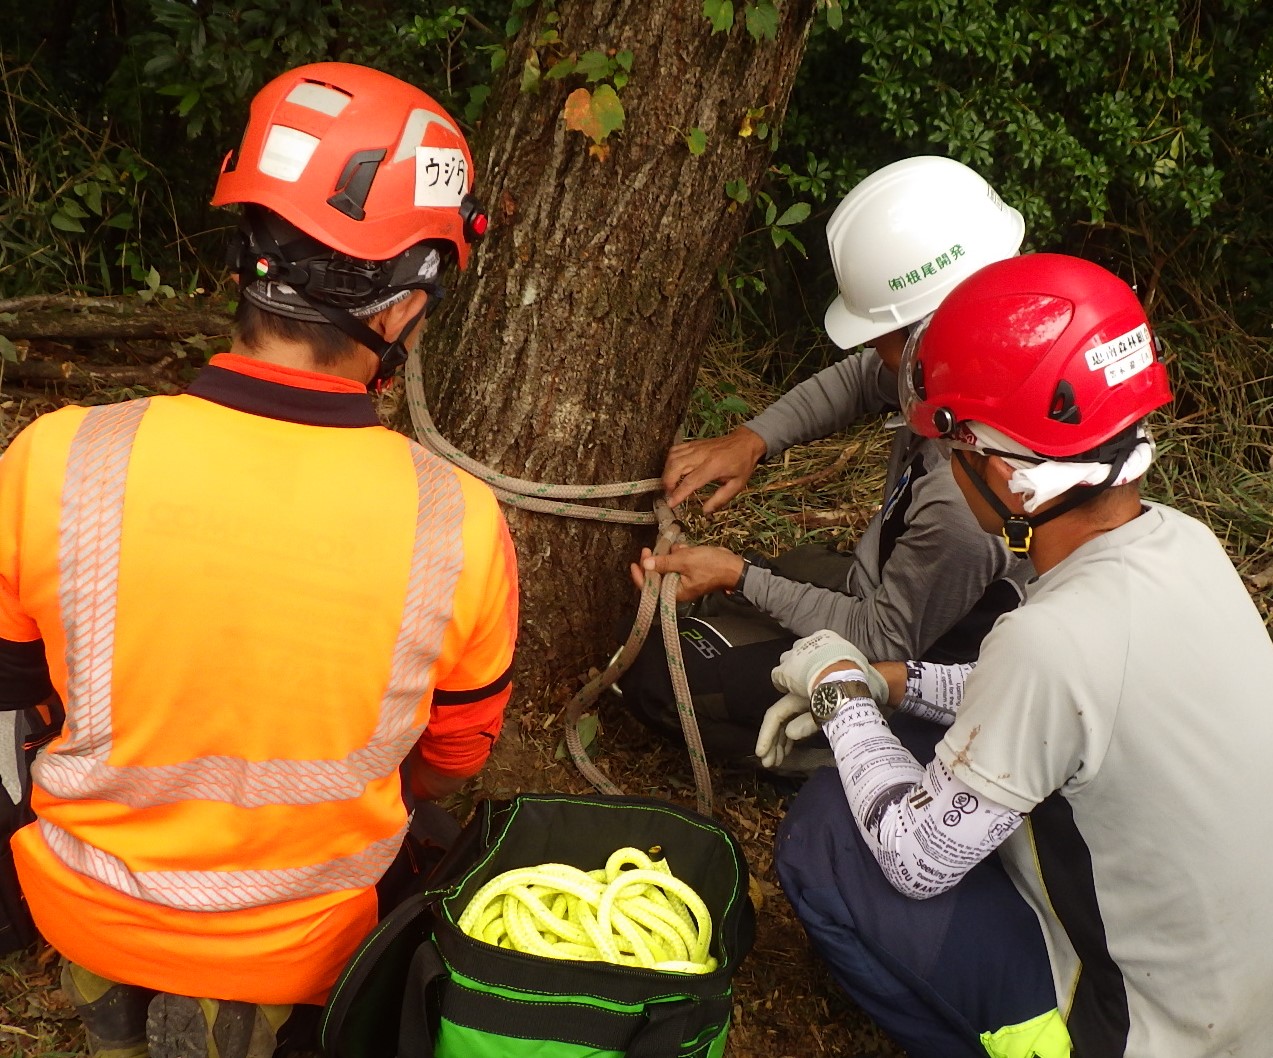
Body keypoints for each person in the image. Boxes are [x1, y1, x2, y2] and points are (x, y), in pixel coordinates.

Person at [0, 62, 518, 1058]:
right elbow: (452, 756)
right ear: (403, 304)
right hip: (304, 936)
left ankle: (115, 994)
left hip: (81, 901)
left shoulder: (55, 457)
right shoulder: (458, 520)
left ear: (247, 254)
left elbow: (14, 693)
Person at [771, 253, 1273, 1057]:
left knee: (830, 831)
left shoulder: (1050, 638)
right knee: (918, 746)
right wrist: (890, 683)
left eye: (950, 449)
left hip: (1139, 1031)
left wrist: (837, 692)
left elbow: (917, 859)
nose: (945, 465)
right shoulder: (1187, 545)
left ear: (1005, 475)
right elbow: (1073, 703)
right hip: (1236, 1004)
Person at [620, 157, 1029, 765]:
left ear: (931, 335)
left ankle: (858, 754)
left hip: (913, 666)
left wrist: (739, 575)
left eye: (881, 336)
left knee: (663, 680)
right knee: (771, 582)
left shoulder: (967, 498)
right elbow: (863, 380)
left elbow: (880, 640)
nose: (873, 350)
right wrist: (753, 440)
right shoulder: (974, 367)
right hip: (883, 591)